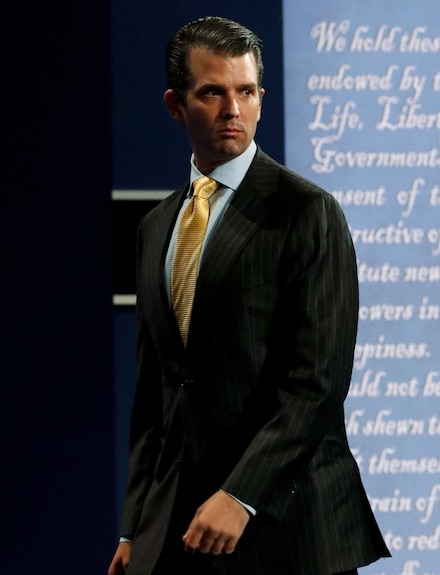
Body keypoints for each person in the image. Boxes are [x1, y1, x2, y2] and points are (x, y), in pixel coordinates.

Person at [108, 16, 390, 575]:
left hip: (291, 527)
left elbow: (317, 382)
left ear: (261, 98)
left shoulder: (306, 211)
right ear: (175, 104)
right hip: (180, 527)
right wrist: (135, 524)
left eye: (246, 91)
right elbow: (156, 396)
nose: (232, 109)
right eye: (212, 92)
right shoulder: (156, 225)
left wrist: (241, 495)